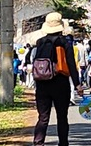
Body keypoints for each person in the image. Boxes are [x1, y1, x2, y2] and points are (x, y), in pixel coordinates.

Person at [33, 13, 83, 146]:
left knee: (43, 117)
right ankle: (63, 143)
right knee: (62, 116)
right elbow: (71, 64)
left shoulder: (40, 42)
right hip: (60, 82)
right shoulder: (65, 43)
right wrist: (77, 85)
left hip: (42, 83)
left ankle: (38, 142)